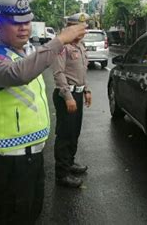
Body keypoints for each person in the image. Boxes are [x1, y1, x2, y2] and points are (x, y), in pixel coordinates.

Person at [0, 0, 85, 224]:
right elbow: (20, 74)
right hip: (9, 163)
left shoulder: (26, 52)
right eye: (16, 23)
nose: (24, 28)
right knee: (14, 218)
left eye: (27, 22)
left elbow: (37, 63)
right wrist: (59, 40)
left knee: (31, 213)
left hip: (32, 157)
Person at [51, 13, 92, 188]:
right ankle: (62, 173)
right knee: (65, 134)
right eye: (81, 27)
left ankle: (70, 162)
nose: (85, 31)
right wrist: (68, 97)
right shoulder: (63, 47)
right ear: (71, 28)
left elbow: (83, 71)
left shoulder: (81, 46)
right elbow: (58, 73)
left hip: (78, 94)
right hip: (65, 96)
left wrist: (87, 90)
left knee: (74, 132)